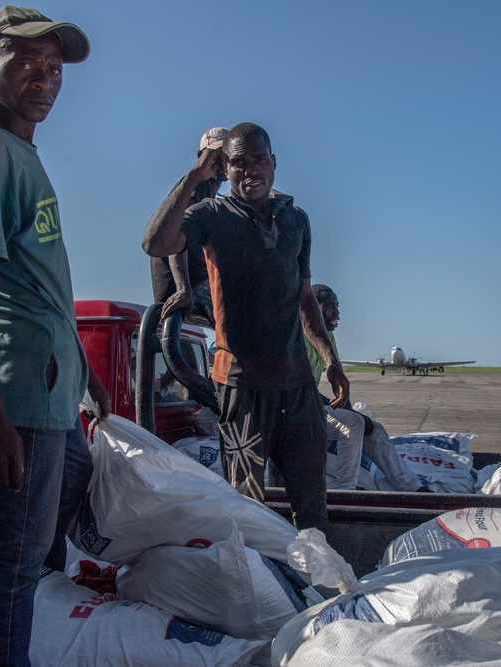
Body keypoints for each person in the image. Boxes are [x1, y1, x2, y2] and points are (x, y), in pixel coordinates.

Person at [0, 7, 109, 665]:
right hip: (22, 402)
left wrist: (91, 380)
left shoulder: (20, 153)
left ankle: (41, 638)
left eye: (53, 66)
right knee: (11, 560)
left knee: (56, 520)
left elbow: (42, 287)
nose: (43, 76)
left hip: (57, 399)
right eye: (25, 61)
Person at [142, 122, 349, 533]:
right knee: (248, 514)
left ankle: (318, 592)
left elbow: (304, 298)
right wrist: (196, 177)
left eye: (259, 160)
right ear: (225, 168)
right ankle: (259, 592)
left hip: (298, 390)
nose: (250, 171)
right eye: (238, 163)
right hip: (243, 392)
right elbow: (156, 243)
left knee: (312, 509)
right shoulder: (209, 215)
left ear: (274, 164)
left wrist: (330, 361)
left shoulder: (296, 220)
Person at [306, 284, 427, 491]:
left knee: (373, 429)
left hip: (311, 406)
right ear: (313, 309)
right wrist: (353, 415)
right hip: (295, 409)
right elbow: (303, 391)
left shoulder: (328, 338)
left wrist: (352, 410)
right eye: (330, 306)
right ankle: (346, 490)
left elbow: (340, 383)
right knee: (352, 424)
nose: (338, 313)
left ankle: (414, 488)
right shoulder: (298, 336)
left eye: (338, 306)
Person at [150, 126, 228, 322]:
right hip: (185, 288)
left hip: (192, 286)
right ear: (203, 158)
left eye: (226, 156)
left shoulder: (209, 190)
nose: (221, 164)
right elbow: (177, 233)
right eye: (215, 158)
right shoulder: (199, 185)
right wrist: (183, 289)